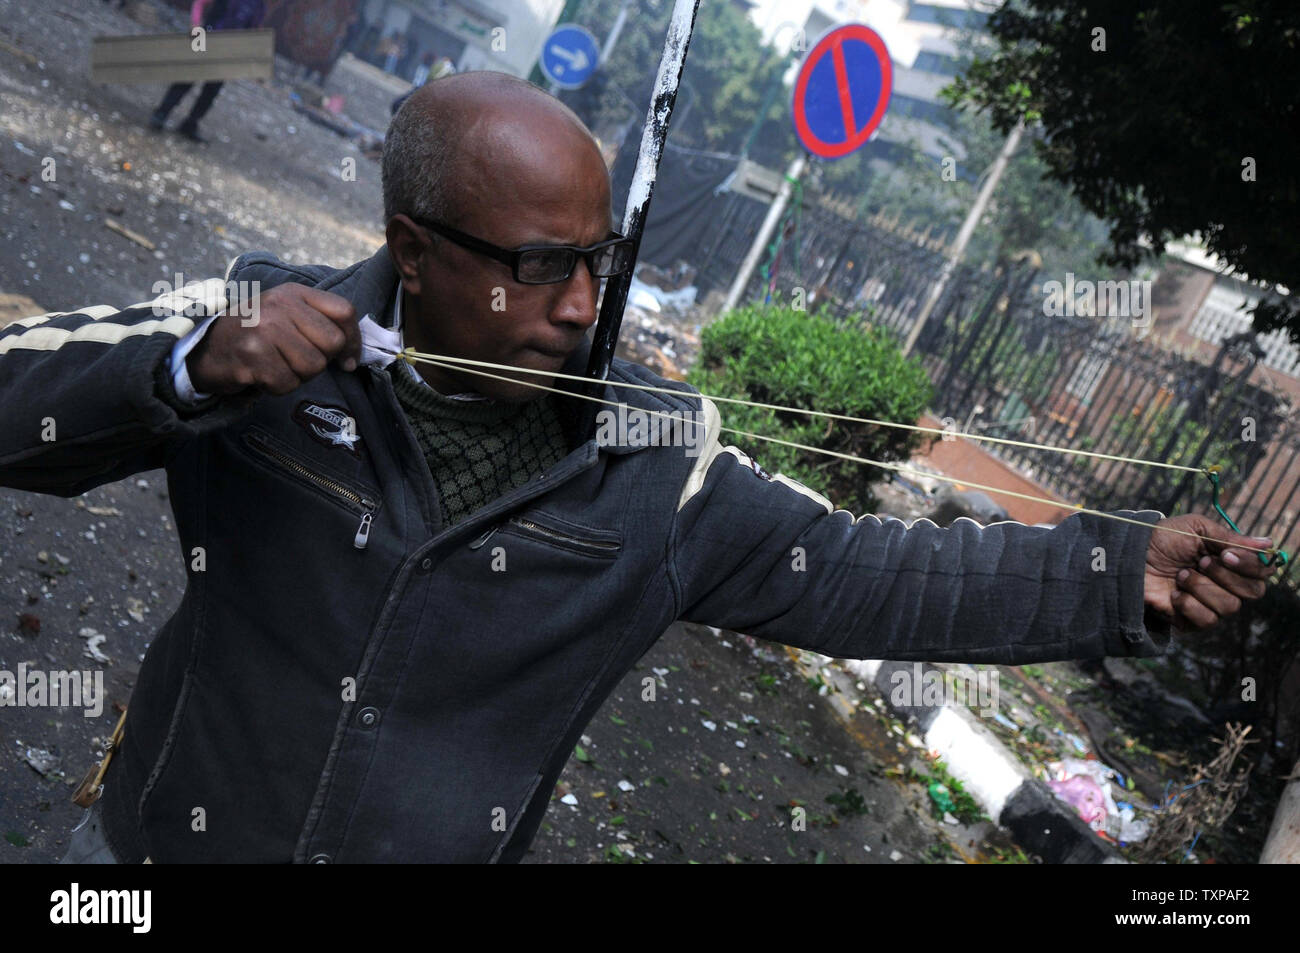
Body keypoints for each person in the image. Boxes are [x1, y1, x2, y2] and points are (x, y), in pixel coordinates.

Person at [3, 72, 1271, 863]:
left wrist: (1114, 570)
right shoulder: (246, 325)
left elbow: (876, 570)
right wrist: (183, 373)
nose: (581, 303)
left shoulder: (661, 465)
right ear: (415, 246)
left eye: (598, 259)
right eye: (539, 261)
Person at [148, 0, 266, 143]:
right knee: (186, 79)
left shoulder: (258, 5)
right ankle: (162, 113)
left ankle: (190, 123)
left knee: (211, 90)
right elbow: (200, 3)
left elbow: (254, 29)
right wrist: (195, 25)